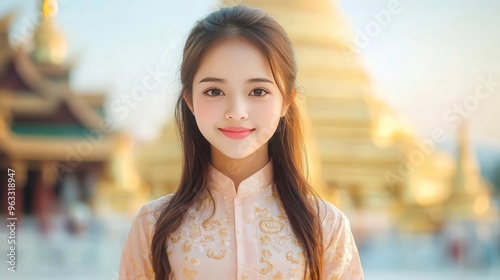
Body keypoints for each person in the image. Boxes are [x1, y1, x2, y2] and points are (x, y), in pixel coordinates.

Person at [119, 5, 363, 280]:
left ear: (286, 101)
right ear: (189, 101)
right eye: (214, 91)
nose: (236, 111)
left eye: (258, 91)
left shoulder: (326, 226)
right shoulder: (152, 226)